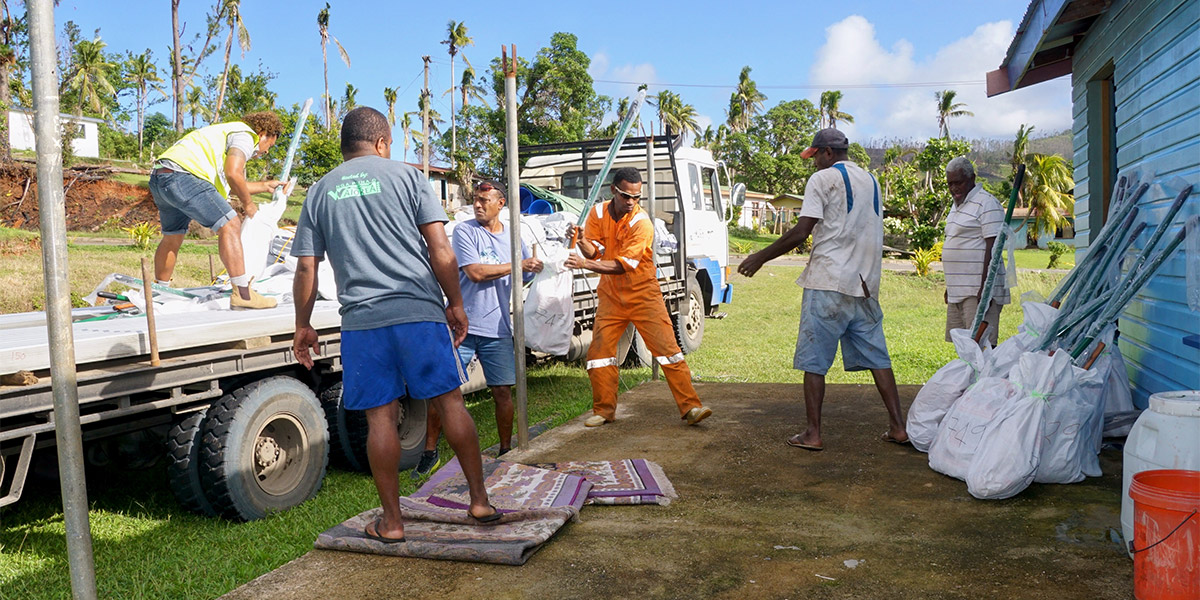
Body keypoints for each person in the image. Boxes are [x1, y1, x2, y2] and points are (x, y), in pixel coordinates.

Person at [291, 107, 499, 544]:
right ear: (383, 142)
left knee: (381, 419)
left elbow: (307, 269)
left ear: (345, 146)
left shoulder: (320, 191)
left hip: (363, 322)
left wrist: (303, 325)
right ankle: (479, 500)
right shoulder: (408, 178)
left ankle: (393, 522)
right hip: (418, 313)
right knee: (451, 404)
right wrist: (456, 303)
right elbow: (440, 248)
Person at [737, 128, 908, 451]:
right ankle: (898, 427)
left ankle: (813, 433)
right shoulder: (871, 181)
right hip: (865, 285)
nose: (813, 162)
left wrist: (760, 256)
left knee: (814, 361)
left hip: (827, 281)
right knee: (879, 358)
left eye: (815, 156)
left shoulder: (822, 180)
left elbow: (803, 231)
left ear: (828, 153)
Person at [564, 167, 713, 428]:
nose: (631, 202)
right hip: (611, 297)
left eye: (636, 197)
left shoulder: (642, 222)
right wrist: (581, 239)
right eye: (625, 196)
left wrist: (584, 265)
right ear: (613, 191)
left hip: (643, 295)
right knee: (599, 354)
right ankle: (604, 411)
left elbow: (623, 265)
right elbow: (594, 252)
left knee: (668, 351)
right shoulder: (597, 213)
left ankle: (691, 407)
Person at [414, 180, 544, 477]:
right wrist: (518, 265)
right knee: (444, 389)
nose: (478, 204)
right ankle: (430, 451)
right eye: (476, 199)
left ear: (501, 203)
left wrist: (531, 269)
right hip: (463, 323)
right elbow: (474, 273)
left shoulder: (514, 235)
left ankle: (505, 450)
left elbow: (522, 277)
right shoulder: (465, 231)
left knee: (502, 390)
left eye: (485, 200)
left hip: (497, 325)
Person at [150, 111, 285, 310]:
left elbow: (231, 182)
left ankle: (159, 292)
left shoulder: (220, 136)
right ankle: (243, 294)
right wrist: (248, 205)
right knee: (230, 224)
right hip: (184, 177)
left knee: (172, 236)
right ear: (263, 133)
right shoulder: (246, 135)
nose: (265, 152)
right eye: (269, 145)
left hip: (161, 177)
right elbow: (233, 173)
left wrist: (265, 186)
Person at [943, 156, 1008, 347]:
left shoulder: (987, 203)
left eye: (958, 182)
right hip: (959, 291)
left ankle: (986, 379)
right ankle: (970, 379)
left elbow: (993, 247)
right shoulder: (957, 207)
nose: (954, 188)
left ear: (972, 178)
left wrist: (985, 287)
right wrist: (950, 286)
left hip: (977, 291)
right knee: (965, 347)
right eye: (950, 183)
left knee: (982, 345)